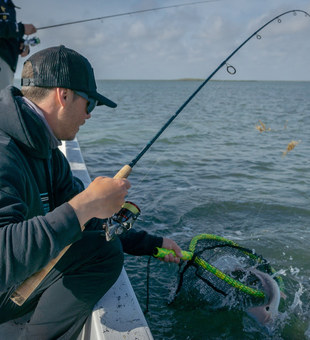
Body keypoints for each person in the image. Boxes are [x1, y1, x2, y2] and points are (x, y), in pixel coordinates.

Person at [0, 45, 183, 340]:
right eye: (90, 104)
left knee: (100, 242)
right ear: (64, 95)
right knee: (103, 253)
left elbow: (95, 224)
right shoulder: (4, 151)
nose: (89, 116)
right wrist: (84, 204)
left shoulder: (47, 152)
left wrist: (152, 243)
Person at [0, 0, 37, 90]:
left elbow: (8, 33)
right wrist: (20, 28)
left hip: (8, 64)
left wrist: (21, 43)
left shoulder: (9, 4)